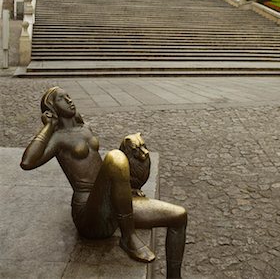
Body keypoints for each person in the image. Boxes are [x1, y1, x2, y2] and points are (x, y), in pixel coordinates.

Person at [20, 86, 187, 279]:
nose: (69, 100)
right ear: (51, 108)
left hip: (112, 204)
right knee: (115, 158)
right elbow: (27, 162)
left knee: (179, 216)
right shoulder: (57, 138)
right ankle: (128, 237)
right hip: (89, 215)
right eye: (61, 99)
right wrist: (48, 126)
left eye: (69, 95)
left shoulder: (84, 128)